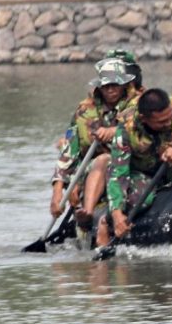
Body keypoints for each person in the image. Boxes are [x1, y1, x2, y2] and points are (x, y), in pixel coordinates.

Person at [99, 88, 172, 245]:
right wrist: (117, 214)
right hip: (141, 173)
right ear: (144, 118)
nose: (168, 123)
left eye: (169, 118)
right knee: (143, 198)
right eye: (161, 122)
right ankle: (104, 221)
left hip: (171, 168)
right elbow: (118, 173)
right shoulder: (126, 129)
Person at [50, 57, 141, 231]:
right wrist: (58, 190)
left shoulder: (138, 104)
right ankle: (87, 214)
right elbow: (69, 150)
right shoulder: (84, 110)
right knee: (103, 159)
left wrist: (114, 132)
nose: (111, 90)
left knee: (106, 158)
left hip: (132, 164)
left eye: (115, 84)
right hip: (96, 168)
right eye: (106, 86)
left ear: (124, 84)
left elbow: (141, 127)